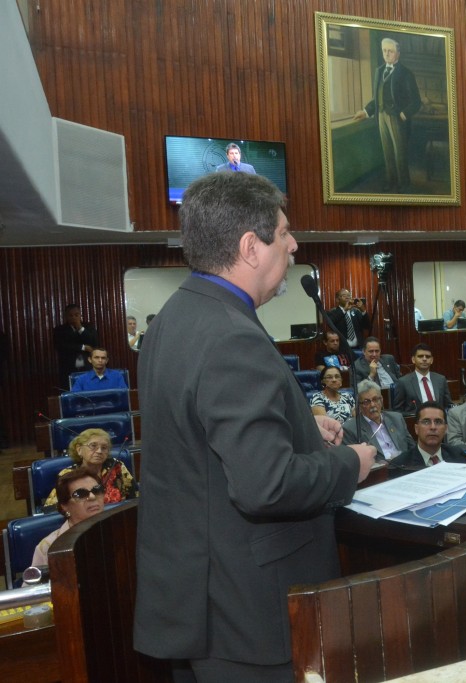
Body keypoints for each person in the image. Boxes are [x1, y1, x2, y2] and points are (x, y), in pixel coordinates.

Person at [133, 172, 377, 683]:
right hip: (248, 611)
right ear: (250, 246)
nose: (293, 244)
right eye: (284, 232)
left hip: (197, 601)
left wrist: (302, 428)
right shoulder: (231, 336)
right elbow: (267, 486)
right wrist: (347, 464)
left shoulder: (175, 319)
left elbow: (200, 439)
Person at [352, 37, 421, 193]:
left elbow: (417, 101)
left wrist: (404, 114)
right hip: (381, 116)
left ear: (398, 53)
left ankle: (404, 185)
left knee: (400, 153)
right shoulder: (379, 71)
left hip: (397, 117)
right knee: (387, 152)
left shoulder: (406, 73)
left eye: (390, 51)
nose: (387, 54)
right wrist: (365, 111)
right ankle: (391, 182)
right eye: (384, 51)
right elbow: (377, 98)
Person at [43, 427, 136, 507]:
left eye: (104, 448)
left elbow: (135, 496)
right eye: (93, 446)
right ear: (79, 450)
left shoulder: (117, 466)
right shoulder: (68, 475)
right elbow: (52, 508)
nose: (99, 451)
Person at [32, 468, 105, 567]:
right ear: (64, 506)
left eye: (97, 490)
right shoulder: (48, 547)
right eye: (80, 494)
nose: (92, 497)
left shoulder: (120, 530)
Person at [388, 402, 466, 473]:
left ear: (446, 429)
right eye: (426, 422)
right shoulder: (400, 465)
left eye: (438, 422)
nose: (433, 427)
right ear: (416, 429)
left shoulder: (457, 455)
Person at [342, 380, 415, 461]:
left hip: (405, 465)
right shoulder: (350, 428)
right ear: (359, 405)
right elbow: (353, 461)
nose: (372, 405)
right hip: (379, 471)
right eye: (366, 402)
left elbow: (412, 447)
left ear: (382, 400)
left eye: (376, 399)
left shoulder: (396, 418)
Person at [392, 343, 452, 414]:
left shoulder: (441, 379)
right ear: (413, 359)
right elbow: (397, 411)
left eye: (427, 356)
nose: (424, 359)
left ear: (432, 360)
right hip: (415, 422)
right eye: (420, 356)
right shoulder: (403, 382)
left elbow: (448, 406)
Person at [53, 303, 99, 388]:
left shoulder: (89, 327)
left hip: (87, 366)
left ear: (80, 315)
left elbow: (93, 343)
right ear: (66, 317)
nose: (74, 317)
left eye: (76, 315)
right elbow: (61, 346)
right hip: (68, 367)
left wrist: (80, 328)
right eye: (71, 315)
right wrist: (83, 347)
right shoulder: (59, 330)